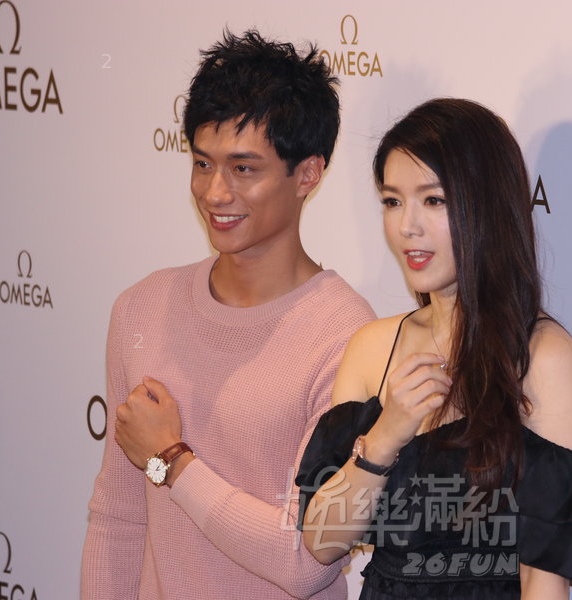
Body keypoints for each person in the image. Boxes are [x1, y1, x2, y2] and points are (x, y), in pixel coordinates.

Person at [81, 30, 375, 599]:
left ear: (308, 174)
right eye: (202, 163)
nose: (215, 192)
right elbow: (118, 517)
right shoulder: (142, 309)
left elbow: (307, 560)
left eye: (243, 169)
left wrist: (171, 461)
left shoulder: (347, 337)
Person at [296, 98, 572, 599]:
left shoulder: (542, 358)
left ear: (486, 206)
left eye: (434, 200)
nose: (408, 226)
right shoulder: (373, 346)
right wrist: (385, 436)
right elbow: (323, 542)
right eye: (392, 201)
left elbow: (543, 578)